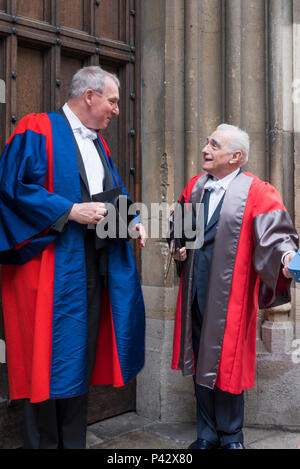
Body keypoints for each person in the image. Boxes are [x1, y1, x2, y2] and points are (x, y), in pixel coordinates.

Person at [0, 66, 146, 449]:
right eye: (113, 101)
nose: (117, 110)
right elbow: (12, 187)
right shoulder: (37, 127)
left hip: (92, 268)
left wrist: (132, 220)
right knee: (45, 361)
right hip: (49, 268)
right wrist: (67, 211)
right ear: (90, 96)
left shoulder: (99, 144)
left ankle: (73, 443)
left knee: (76, 360)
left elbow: (112, 194)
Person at [168, 124, 298, 450]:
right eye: (207, 141)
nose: (205, 149)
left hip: (232, 297)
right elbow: (179, 229)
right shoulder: (195, 187)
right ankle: (206, 433)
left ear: (236, 156)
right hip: (195, 293)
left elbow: (277, 235)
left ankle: (231, 435)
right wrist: (178, 245)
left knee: (228, 363)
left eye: (214, 144)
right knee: (200, 358)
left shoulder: (257, 191)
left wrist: (287, 256)